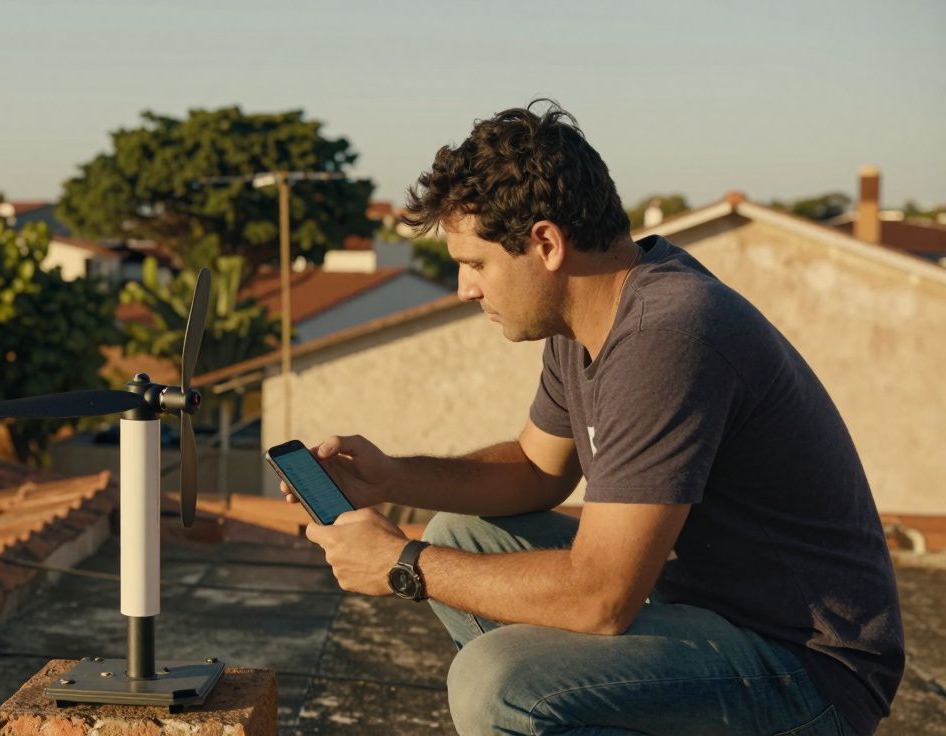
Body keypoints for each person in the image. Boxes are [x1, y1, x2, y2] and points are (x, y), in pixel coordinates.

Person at [287, 100, 903, 735]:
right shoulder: (584, 321)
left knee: (498, 681)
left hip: (808, 670)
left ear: (546, 243)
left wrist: (401, 563)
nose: (466, 290)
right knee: (459, 535)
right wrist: (390, 479)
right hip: (707, 614)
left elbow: (600, 596)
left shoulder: (667, 334)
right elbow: (534, 470)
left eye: (476, 264)